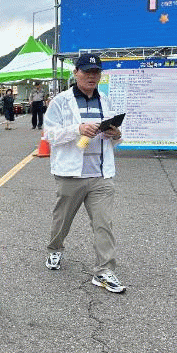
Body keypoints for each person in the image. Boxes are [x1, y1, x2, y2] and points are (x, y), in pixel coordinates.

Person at [43, 55, 126, 294]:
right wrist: (77, 129)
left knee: (103, 223)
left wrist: (116, 134)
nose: (92, 76)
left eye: (96, 72)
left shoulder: (105, 101)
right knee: (62, 220)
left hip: (101, 174)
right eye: (87, 71)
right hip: (71, 174)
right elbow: (49, 134)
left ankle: (104, 271)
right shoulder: (61, 101)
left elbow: (117, 138)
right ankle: (55, 249)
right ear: (76, 72)